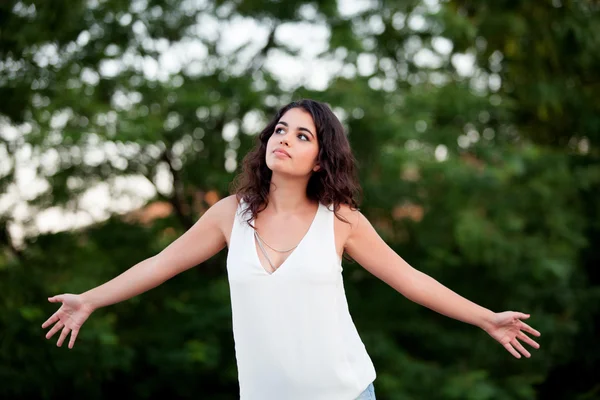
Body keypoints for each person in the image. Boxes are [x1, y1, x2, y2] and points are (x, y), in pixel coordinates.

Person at [42, 99, 541, 400]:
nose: (284, 139)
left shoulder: (341, 221)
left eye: (302, 136)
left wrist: (485, 318)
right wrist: (90, 299)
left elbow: (412, 280)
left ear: (321, 161)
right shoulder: (228, 215)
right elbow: (160, 263)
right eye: (281, 129)